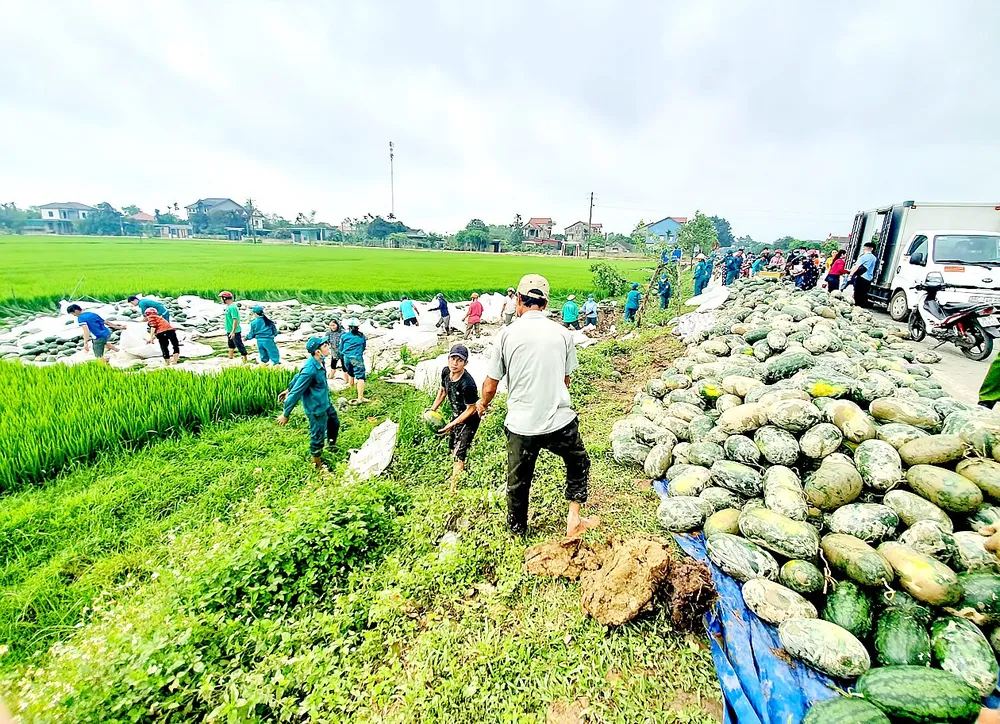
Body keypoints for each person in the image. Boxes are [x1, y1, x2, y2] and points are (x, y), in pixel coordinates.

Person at [476, 274, 598, 538]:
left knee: (518, 483)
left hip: (522, 426)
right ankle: (574, 518)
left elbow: (490, 385)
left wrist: (482, 404)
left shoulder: (506, 335)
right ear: (545, 303)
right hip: (559, 421)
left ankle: (517, 532)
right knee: (578, 462)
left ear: (519, 300)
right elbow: (565, 380)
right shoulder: (563, 333)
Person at [277, 337, 339, 469]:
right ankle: (317, 466)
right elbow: (296, 393)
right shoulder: (310, 370)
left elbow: (297, 376)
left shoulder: (319, 361)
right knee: (318, 436)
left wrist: (288, 388)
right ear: (318, 351)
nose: (328, 347)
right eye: (325, 346)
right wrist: (285, 414)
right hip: (316, 409)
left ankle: (332, 446)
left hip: (325, 403)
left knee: (334, 423)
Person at [428, 343, 481, 492]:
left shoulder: (468, 384)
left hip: (469, 420)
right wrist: (432, 410)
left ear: (466, 363)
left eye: (459, 360)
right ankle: (458, 472)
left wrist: (451, 425)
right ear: (448, 359)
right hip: (456, 416)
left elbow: (471, 409)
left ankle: (454, 490)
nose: (455, 363)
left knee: (459, 453)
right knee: (452, 447)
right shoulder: (446, 372)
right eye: (453, 359)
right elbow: (443, 391)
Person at [339, 317, 369, 405]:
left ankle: (352, 390)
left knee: (350, 373)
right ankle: (360, 397)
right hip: (357, 358)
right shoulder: (361, 336)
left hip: (347, 358)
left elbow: (341, 349)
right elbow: (363, 347)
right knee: (360, 377)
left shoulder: (344, 336)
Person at [219, 291, 248, 362]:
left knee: (239, 345)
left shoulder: (232, 308)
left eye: (222, 298)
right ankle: (230, 358)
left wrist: (233, 331)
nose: (221, 300)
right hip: (229, 330)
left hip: (234, 331)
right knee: (231, 345)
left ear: (225, 298)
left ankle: (245, 359)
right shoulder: (229, 307)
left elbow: (235, 320)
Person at [848, 242, 879, 308]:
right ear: (872, 249)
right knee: (864, 293)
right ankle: (862, 306)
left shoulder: (863, 256)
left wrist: (850, 275)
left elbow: (856, 266)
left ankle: (857, 306)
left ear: (864, 248)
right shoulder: (874, 258)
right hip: (869, 278)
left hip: (862, 277)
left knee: (858, 293)